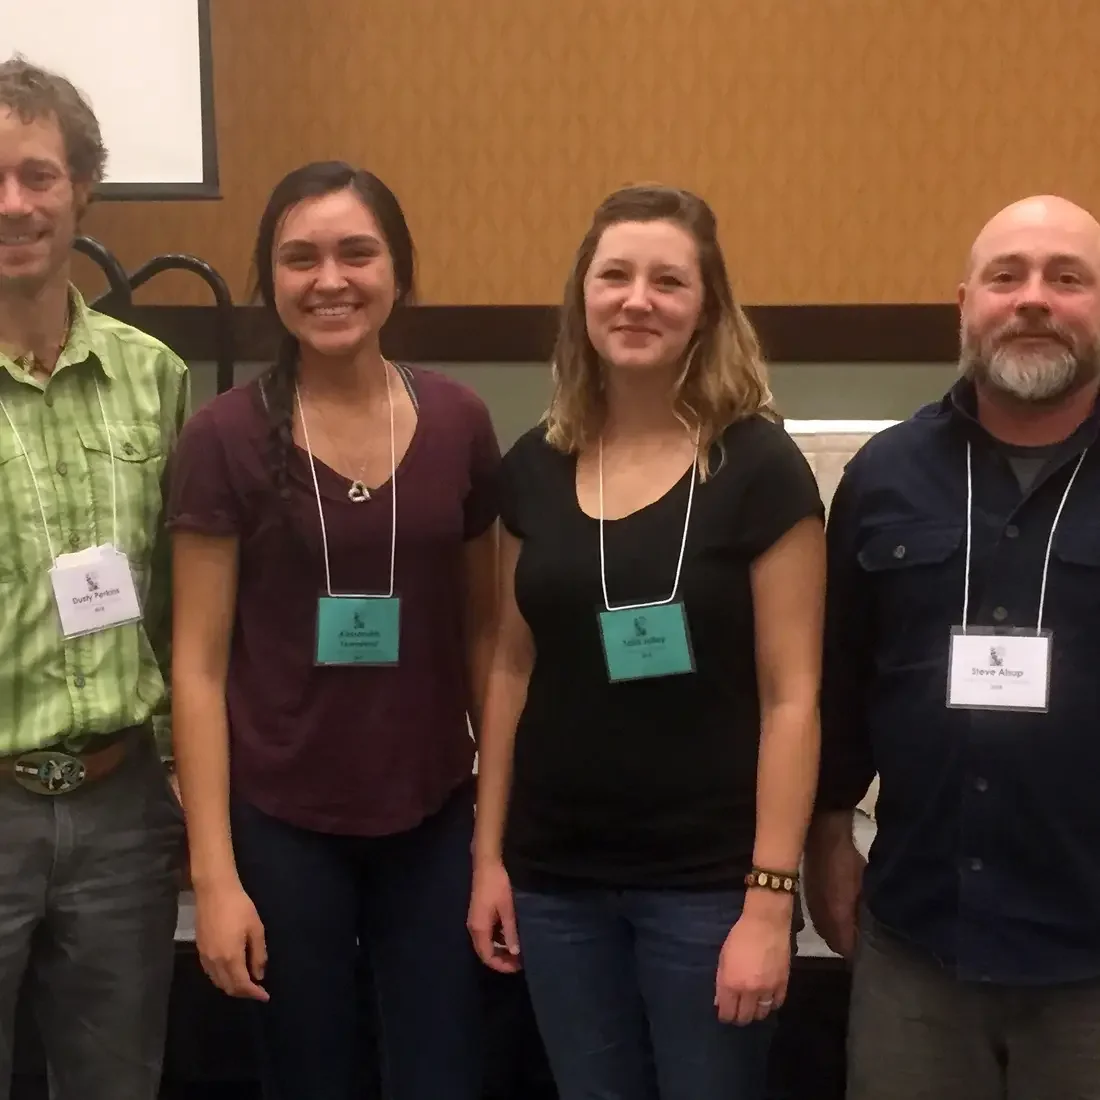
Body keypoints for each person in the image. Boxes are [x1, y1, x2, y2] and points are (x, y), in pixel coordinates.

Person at [468, 183, 826, 1100]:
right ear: (581, 297)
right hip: (554, 883)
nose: (637, 299)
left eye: (668, 280)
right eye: (615, 275)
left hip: (707, 890)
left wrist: (768, 901)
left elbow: (794, 696)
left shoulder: (759, 468)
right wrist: (489, 860)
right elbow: (509, 667)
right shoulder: (532, 467)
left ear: (707, 307)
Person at [167, 161, 500, 1100]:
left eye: (358, 253)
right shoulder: (223, 438)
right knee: (305, 1075)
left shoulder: (459, 422)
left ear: (399, 271)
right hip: (281, 824)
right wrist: (215, 877)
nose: (330, 280)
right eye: (299, 258)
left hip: (433, 815)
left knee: (444, 1073)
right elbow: (195, 666)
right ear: (270, 281)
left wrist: (493, 838)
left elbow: (487, 640)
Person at [804, 194, 1100, 1099]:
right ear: (964, 305)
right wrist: (825, 833)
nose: (1034, 299)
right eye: (1006, 277)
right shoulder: (886, 474)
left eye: (1068, 277)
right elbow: (840, 680)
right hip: (919, 942)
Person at [0, 58, 187, 1100]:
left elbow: (180, 611)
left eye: (37, 174)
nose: (13, 204)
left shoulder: (153, 377)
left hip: (123, 810)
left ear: (82, 190)